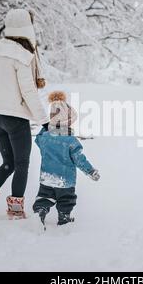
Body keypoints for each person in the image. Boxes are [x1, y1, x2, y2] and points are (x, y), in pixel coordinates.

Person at [0, 8, 49, 224]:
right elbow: (28, 92)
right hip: (15, 119)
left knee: (8, 163)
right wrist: (44, 121)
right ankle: (15, 209)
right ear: (28, 28)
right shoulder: (23, 56)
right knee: (22, 164)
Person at [33, 91, 100, 230]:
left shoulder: (44, 137)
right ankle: (64, 217)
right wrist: (91, 171)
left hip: (46, 178)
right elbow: (79, 159)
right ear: (67, 123)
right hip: (65, 181)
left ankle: (40, 213)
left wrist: (45, 128)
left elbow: (37, 140)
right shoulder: (71, 141)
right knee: (66, 201)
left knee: (44, 198)